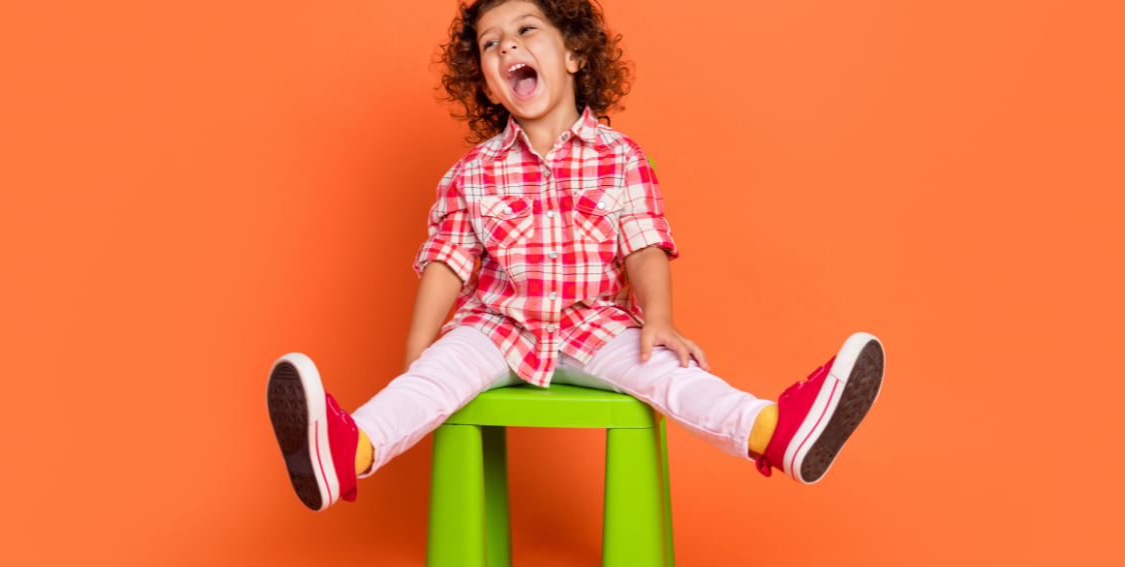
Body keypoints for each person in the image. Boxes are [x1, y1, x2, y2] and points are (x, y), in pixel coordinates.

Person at [265, 0, 886, 512]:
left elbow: (644, 246)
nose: (507, 48)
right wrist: (419, 350)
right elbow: (447, 262)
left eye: (525, 31)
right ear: (485, 81)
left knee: (670, 373)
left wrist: (660, 318)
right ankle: (347, 454)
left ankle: (777, 434)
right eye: (490, 44)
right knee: (433, 378)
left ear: (573, 54)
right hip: (496, 328)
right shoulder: (472, 174)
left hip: (595, 326)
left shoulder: (621, 157)